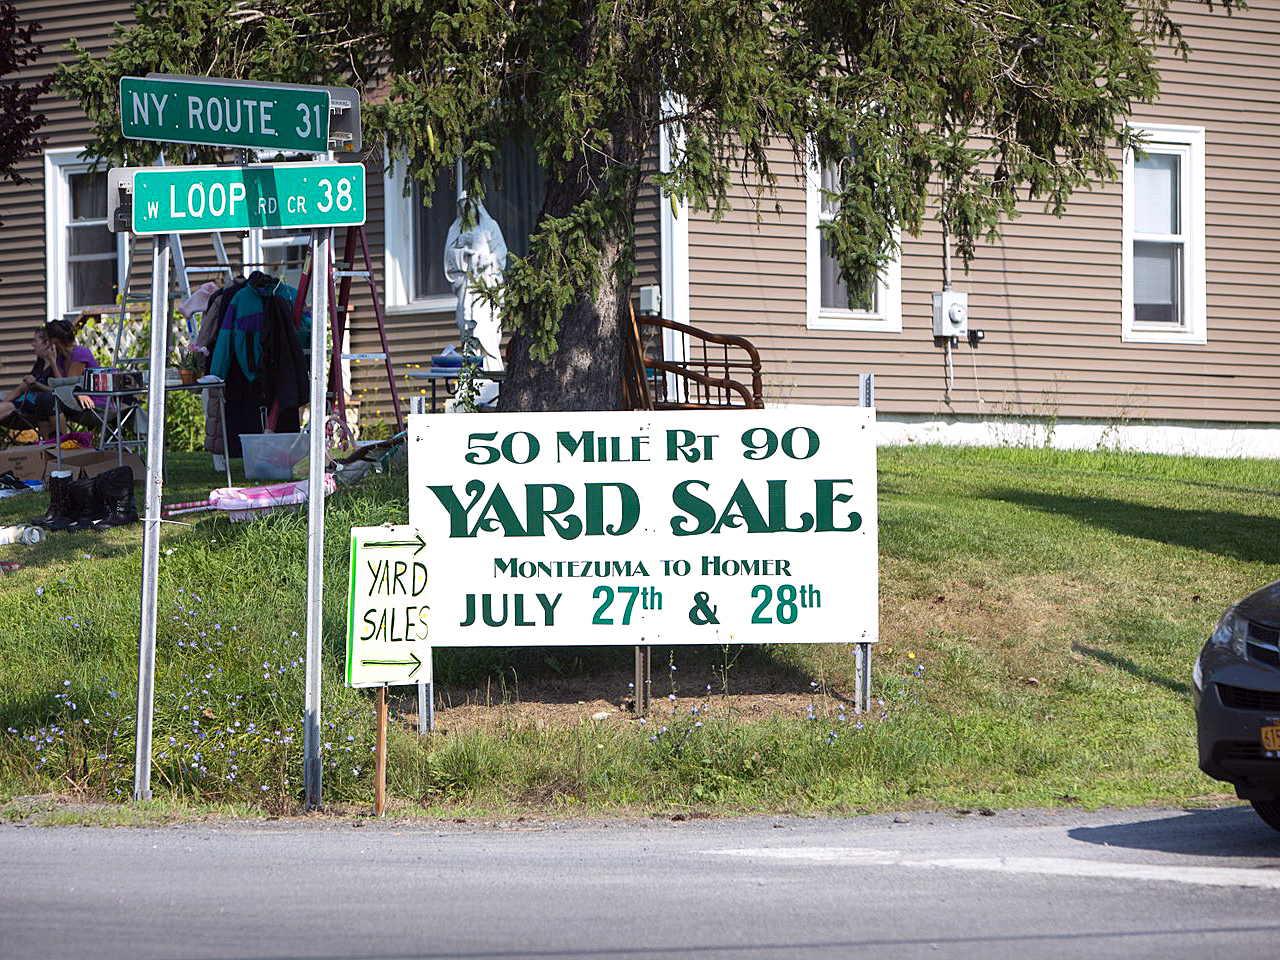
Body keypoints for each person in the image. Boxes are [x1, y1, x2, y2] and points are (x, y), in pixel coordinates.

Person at [0, 321, 97, 428]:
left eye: (48, 339)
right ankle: (48, 441)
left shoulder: (79, 353)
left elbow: (67, 387)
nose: (46, 343)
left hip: (91, 401)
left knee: (47, 399)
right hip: (68, 400)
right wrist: (53, 362)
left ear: (53, 341)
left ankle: (61, 440)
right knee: (44, 398)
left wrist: (52, 364)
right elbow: (61, 386)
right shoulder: (59, 359)